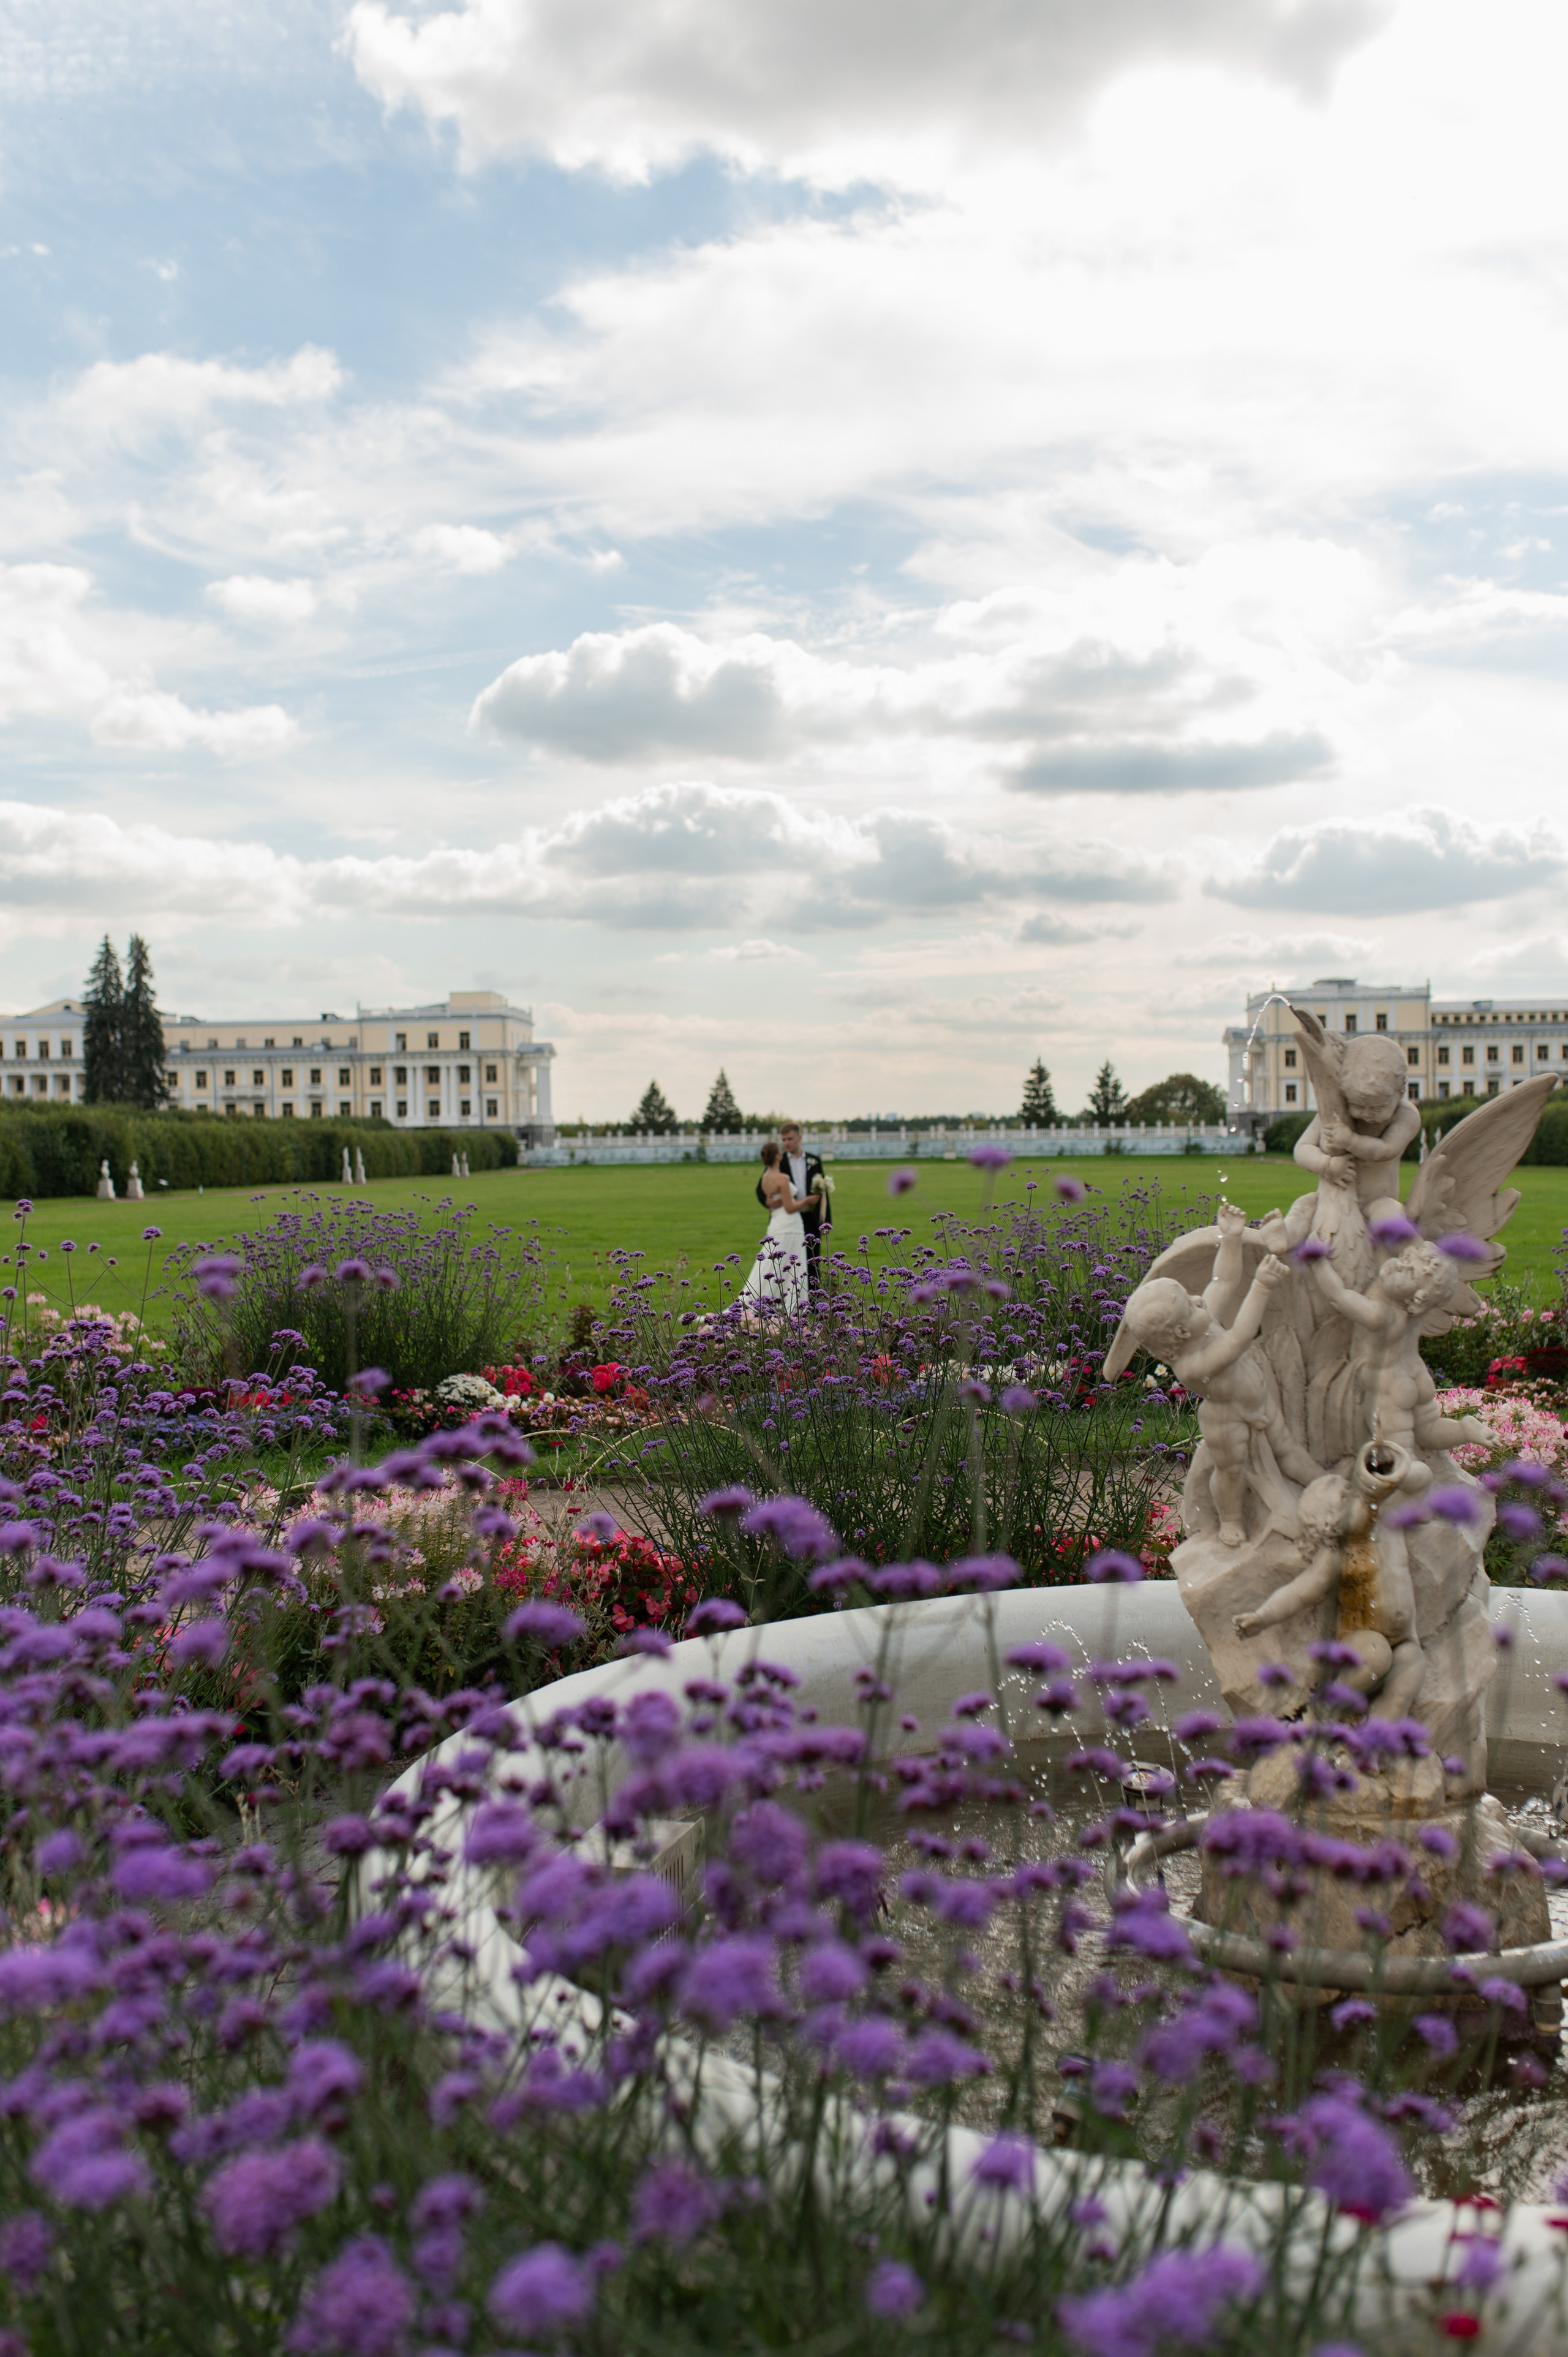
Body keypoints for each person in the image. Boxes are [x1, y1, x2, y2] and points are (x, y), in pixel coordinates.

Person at [738, 1140, 817, 1315]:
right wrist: (807, 1201)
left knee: (773, 1263)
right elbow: (790, 1208)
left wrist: (781, 1202)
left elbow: (770, 1202)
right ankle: (791, 1306)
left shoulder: (766, 1177)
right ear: (777, 1156)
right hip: (790, 1224)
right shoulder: (783, 1178)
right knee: (793, 1264)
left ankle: (772, 1302)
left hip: (776, 1223)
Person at [755, 1122, 831, 1296]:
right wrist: (769, 1203)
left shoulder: (814, 1161)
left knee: (812, 1261)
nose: (787, 1143)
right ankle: (787, 1297)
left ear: (799, 1138)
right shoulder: (778, 1163)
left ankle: (812, 1300)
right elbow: (761, 1189)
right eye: (783, 1140)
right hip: (789, 1217)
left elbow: (824, 1195)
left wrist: (825, 1221)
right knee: (786, 1259)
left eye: (790, 1139)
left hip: (810, 1217)